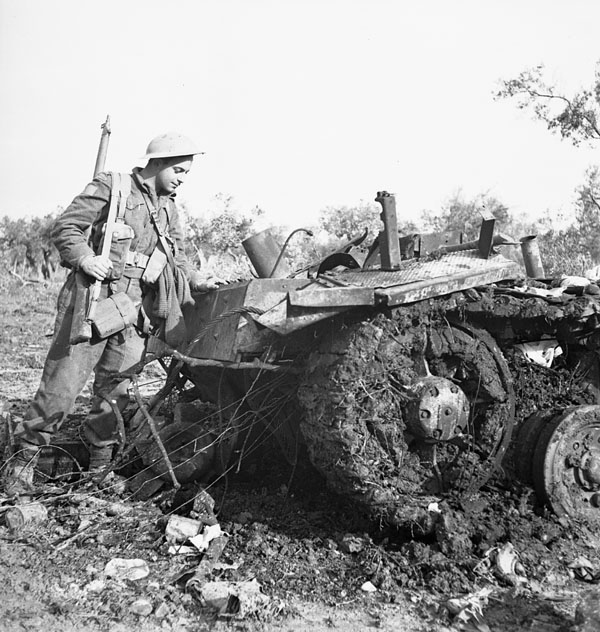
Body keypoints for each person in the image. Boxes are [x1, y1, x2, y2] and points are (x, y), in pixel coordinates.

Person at [4, 132, 220, 494]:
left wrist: (199, 279)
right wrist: (86, 258)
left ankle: (98, 470)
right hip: (95, 299)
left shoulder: (169, 206)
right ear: (158, 162)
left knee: (116, 391)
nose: (183, 178)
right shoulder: (113, 186)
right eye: (179, 169)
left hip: (136, 310)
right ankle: (22, 464)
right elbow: (67, 227)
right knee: (62, 386)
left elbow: (176, 257)